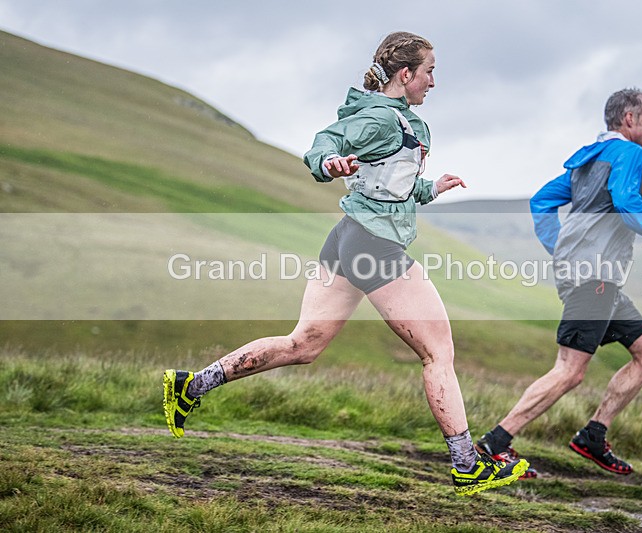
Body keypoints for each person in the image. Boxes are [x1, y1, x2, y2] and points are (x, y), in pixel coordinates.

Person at [162, 31, 528, 496]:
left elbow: (390, 184)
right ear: (406, 74)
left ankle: (190, 386)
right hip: (373, 245)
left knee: (304, 344)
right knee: (438, 352)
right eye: (430, 71)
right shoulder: (379, 117)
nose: (434, 81)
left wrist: (430, 188)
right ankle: (466, 466)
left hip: (348, 239)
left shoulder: (401, 119)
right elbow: (324, 143)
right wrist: (328, 162)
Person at [476, 88, 642, 475]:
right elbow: (625, 201)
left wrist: (563, 249)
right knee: (570, 370)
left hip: (598, 279)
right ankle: (494, 443)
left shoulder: (588, 160)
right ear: (629, 119)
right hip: (595, 280)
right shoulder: (628, 153)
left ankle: (593, 434)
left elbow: (541, 200)